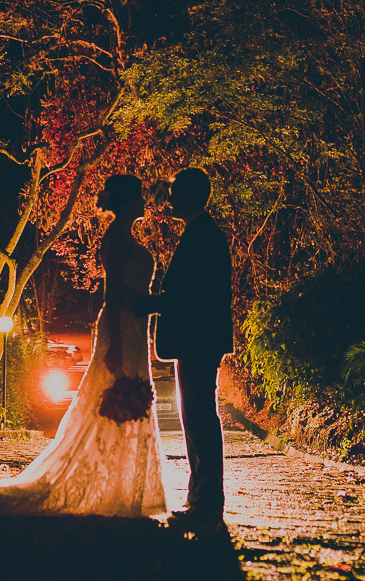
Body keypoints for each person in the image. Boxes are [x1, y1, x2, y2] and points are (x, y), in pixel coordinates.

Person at [0, 174, 167, 518]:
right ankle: (116, 489)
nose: (144, 202)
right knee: (114, 398)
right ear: (126, 204)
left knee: (128, 402)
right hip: (121, 328)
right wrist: (117, 346)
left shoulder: (125, 238)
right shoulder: (118, 242)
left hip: (135, 328)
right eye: (139, 197)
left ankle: (124, 488)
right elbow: (114, 295)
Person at [140, 168, 233, 528]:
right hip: (198, 339)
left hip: (198, 339)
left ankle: (207, 500)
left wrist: (147, 304)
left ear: (191, 196)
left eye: (176, 192)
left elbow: (189, 295)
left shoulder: (203, 236)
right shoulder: (200, 233)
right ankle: (201, 497)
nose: (170, 199)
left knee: (199, 417)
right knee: (194, 416)